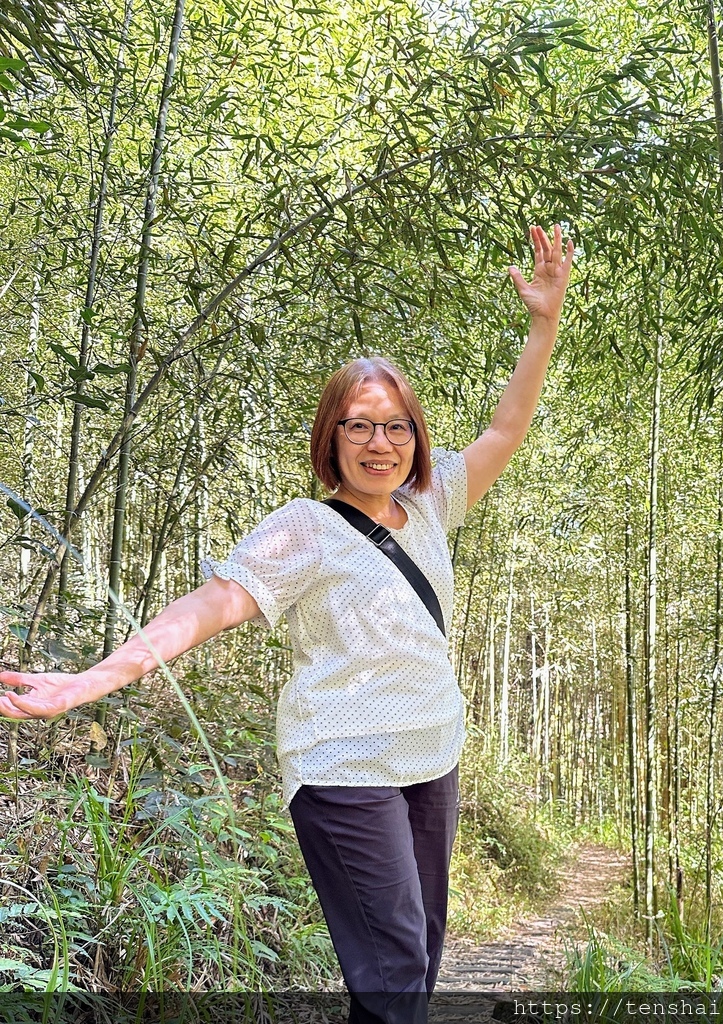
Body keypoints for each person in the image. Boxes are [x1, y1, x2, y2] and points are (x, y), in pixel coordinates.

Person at [0, 224, 574, 1020]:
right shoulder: (302, 525)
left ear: (415, 436)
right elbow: (210, 606)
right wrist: (89, 681)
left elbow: (505, 428)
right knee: (395, 954)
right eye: (359, 426)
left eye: (396, 426)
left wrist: (542, 322)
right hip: (343, 766)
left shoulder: (432, 502)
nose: (381, 443)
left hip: (431, 754)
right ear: (330, 438)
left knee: (417, 951)